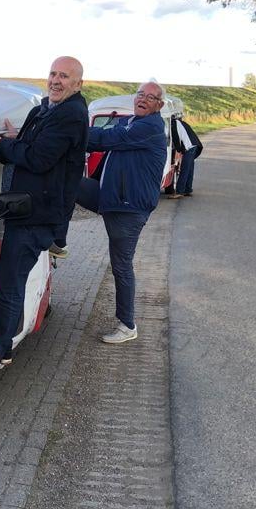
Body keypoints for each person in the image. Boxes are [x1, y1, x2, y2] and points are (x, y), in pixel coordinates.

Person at [0, 56, 88, 369]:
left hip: (35, 216)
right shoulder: (49, 109)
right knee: (11, 279)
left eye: (64, 76)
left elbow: (39, 159)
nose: (56, 80)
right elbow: (38, 145)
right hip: (29, 212)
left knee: (9, 283)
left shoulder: (70, 115)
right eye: (53, 73)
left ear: (77, 84)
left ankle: (0, 350)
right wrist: (17, 138)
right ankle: (4, 337)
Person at [76, 81, 168, 344]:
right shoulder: (132, 122)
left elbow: (107, 139)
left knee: (121, 266)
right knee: (67, 182)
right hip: (112, 198)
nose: (143, 99)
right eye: (140, 94)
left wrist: (72, 133)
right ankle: (55, 238)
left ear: (158, 106)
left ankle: (127, 325)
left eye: (151, 98)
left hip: (128, 209)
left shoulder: (149, 128)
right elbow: (106, 130)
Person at [170, 113, 203, 197]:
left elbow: (176, 139)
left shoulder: (173, 124)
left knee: (184, 169)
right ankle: (188, 189)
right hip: (195, 145)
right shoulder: (181, 123)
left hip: (189, 147)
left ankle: (179, 192)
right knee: (189, 169)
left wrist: (179, 150)